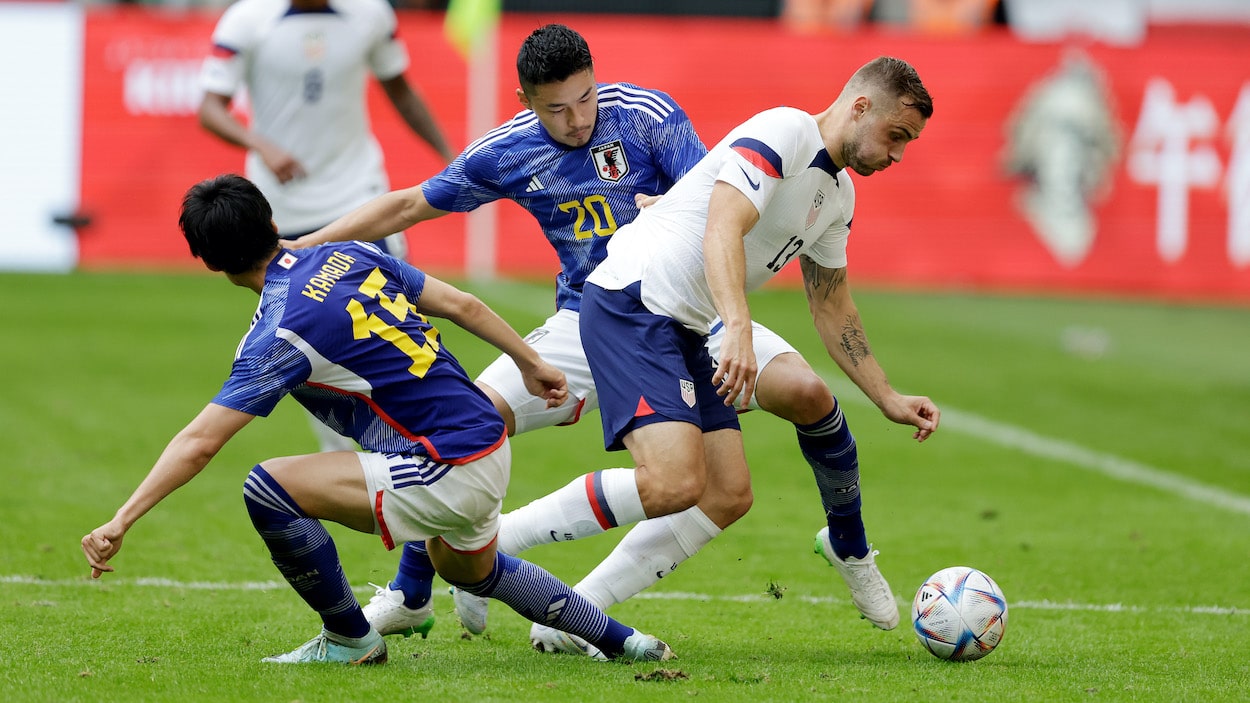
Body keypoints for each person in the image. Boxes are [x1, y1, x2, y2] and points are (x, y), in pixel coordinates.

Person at [291, 26, 917, 654]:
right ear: (526, 100)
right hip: (600, 311)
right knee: (474, 424)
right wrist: (303, 247)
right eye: (555, 108)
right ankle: (415, 591)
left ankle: (551, 593)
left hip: (692, 306)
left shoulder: (648, 118)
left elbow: (709, 204)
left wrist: (879, 391)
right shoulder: (509, 151)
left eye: (585, 99)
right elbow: (406, 207)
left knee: (783, 420)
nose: (575, 119)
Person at [79, 174, 673, 665]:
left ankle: (349, 640)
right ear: (270, 222)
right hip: (487, 441)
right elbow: (460, 304)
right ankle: (628, 642)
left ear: (211, 263)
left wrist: (121, 519)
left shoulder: (277, 334)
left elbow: (200, 443)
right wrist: (531, 362)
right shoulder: (348, 252)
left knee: (267, 487)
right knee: (474, 570)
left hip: (446, 464)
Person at [573, 54, 940, 649]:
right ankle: (489, 552)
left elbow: (831, 304)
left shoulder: (839, 195)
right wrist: (738, 326)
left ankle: (578, 606)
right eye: (897, 136)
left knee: (744, 473)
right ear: (861, 107)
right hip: (637, 299)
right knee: (667, 478)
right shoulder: (786, 130)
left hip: (692, 321)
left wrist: (887, 396)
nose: (898, 155)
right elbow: (724, 224)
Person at [198, 0, 456, 452]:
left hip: (359, 193)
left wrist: (451, 158)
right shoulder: (247, 19)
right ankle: (345, 455)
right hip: (281, 209)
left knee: (403, 314)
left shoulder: (372, 13)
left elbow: (400, 89)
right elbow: (210, 107)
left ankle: (440, 434)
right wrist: (261, 144)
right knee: (305, 341)